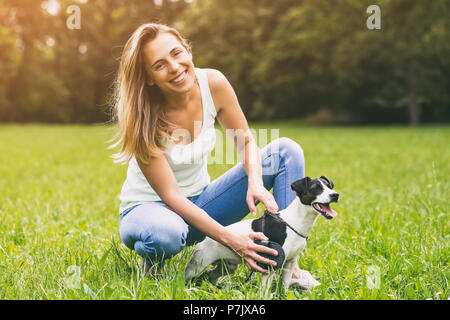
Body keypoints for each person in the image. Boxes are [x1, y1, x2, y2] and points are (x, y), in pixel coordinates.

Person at [111, 23, 306, 279]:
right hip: (151, 210)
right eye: (159, 65)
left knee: (285, 151)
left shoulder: (212, 83)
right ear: (148, 77)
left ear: (188, 51)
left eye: (177, 53)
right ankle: (153, 261)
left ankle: (284, 263)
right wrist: (229, 238)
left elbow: (246, 142)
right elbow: (172, 197)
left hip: (202, 203)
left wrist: (256, 182)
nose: (174, 67)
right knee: (164, 234)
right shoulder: (142, 117)